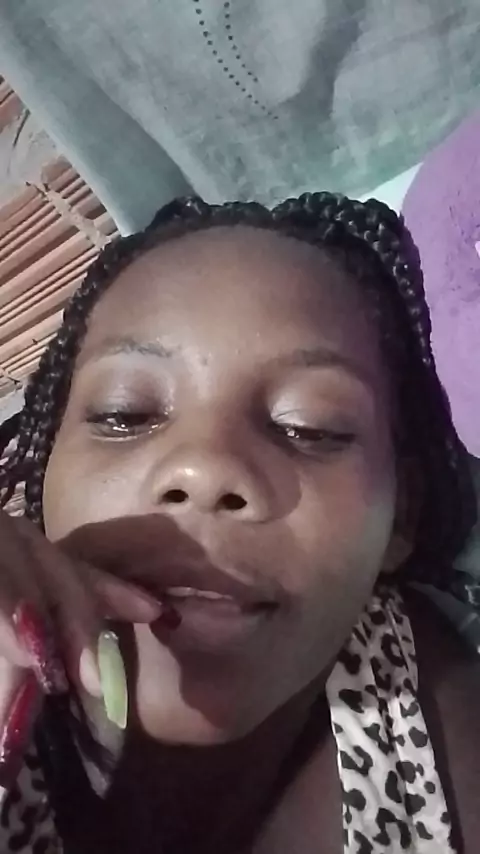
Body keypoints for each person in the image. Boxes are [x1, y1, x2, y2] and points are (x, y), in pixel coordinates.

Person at [0, 192, 478, 854]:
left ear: (402, 513)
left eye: (309, 427)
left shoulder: (443, 764)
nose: (206, 469)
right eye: (124, 414)